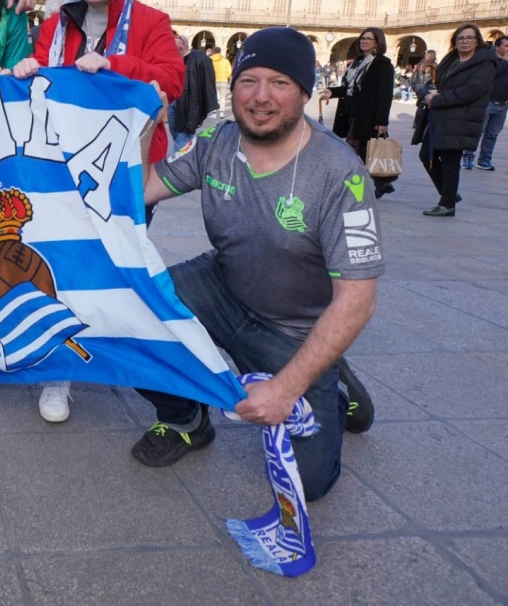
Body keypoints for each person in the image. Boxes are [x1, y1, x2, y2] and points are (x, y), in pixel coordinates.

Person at [134, 27, 381, 501]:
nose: (261, 97)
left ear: (305, 92)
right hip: (224, 286)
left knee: (307, 484)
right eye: (249, 81)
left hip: (294, 330)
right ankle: (186, 419)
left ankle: (331, 378)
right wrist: (148, 128)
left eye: (280, 83)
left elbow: (358, 299)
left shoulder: (340, 173)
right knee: (136, 313)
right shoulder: (216, 142)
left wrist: (287, 388)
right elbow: (142, 189)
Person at [10, 0, 185, 424]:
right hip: (62, 168)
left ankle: (115, 350)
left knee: (120, 261)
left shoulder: (152, 20)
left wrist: (115, 64)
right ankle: (60, 372)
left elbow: (169, 78)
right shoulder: (56, 23)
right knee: (61, 263)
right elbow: (41, 73)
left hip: (128, 171)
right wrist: (27, 71)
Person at [418, 24, 495, 216]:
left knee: (451, 161)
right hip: (442, 117)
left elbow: (470, 92)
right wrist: (427, 93)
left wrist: (436, 99)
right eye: (461, 38)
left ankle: (447, 205)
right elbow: (438, 83)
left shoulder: (484, 64)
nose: (465, 41)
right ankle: (449, 193)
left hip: (463, 118)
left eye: (470, 37)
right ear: (455, 41)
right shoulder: (451, 60)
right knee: (425, 154)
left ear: (477, 41)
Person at [321, 27, 395, 199]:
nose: (364, 41)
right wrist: (332, 92)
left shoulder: (382, 64)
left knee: (353, 151)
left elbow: (385, 94)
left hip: (368, 116)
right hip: (351, 114)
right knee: (362, 151)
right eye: (363, 38)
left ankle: (354, 185)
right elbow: (349, 88)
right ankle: (382, 183)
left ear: (378, 43)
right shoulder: (356, 63)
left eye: (369, 39)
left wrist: (382, 121)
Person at [461, 35, 508, 171]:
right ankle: (468, 157)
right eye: (506, 46)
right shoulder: (490, 61)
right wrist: (504, 61)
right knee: (477, 131)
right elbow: (491, 75)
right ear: (497, 47)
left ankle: (484, 160)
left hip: (502, 105)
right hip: (487, 103)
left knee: (492, 134)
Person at [169, 32, 217, 152]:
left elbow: (206, 84)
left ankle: (179, 163)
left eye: (175, 40)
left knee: (182, 135)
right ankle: (186, 153)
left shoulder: (200, 59)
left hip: (188, 103)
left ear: (183, 43)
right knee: (176, 134)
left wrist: (202, 108)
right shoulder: (174, 59)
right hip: (173, 102)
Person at [210, 46, 231, 117]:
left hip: (213, 81)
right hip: (223, 81)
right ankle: (222, 113)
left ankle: (214, 113)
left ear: (213, 52)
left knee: (214, 97)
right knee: (222, 97)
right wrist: (226, 77)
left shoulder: (210, 60)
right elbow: (229, 71)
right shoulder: (226, 61)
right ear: (220, 52)